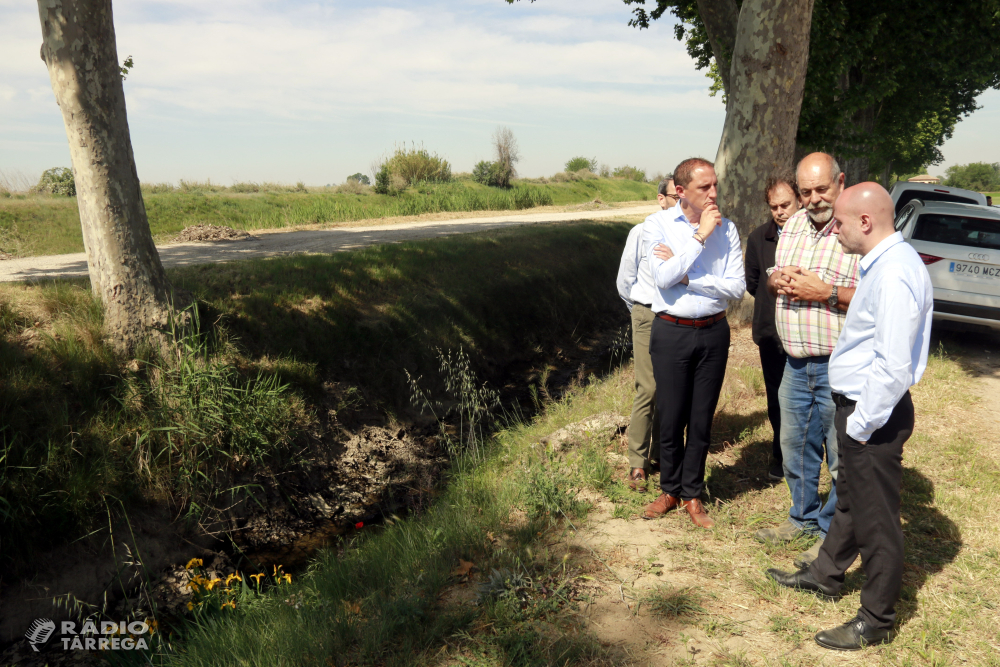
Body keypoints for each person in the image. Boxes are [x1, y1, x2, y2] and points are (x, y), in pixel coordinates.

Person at [766, 182, 933, 651]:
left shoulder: (895, 272)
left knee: (877, 520)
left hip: (871, 412)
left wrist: (861, 425)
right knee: (850, 502)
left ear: (865, 221)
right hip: (860, 406)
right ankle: (826, 573)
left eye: (839, 221)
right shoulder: (882, 264)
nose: (832, 229)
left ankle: (875, 618)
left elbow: (893, 364)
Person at [755, 153, 859, 568]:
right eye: (806, 191)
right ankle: (801, 518)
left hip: (840, 365)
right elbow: (776, 273)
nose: (814, 199)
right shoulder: (794, 224)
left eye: (822, 189)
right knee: (795, 446)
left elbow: (877, 298)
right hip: (795, 364)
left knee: (841, 456)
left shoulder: (857, 225)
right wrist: (774, 279)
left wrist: (827, 293)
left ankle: (831, 532)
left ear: (841, 182)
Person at [641, 158, 745, 529]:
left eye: (715, 185)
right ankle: (669, 489)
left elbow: (735, 287)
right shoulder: (657, 225)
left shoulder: (728, 229)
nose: (714, 194)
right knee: (670, 416)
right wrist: (699, 236)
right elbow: (664, 277)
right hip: (671, 331)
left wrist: (691, 280)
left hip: (714, 331)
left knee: (701, 418)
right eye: (705, 188)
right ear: (680, 191)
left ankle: (692, 493)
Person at [616, 177, 676, 490]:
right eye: (672, 196)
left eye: (682, 196)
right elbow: (624, 281)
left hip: (676, 317)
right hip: (647, 314)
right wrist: (640, 311)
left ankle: (662, 456)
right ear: (660, 199)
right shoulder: (640, 233)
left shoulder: (688, 234)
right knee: (648, 388)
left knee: (672, 390)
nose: (678, 201)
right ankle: (637, 462)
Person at [744, 172, 800, 483]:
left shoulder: (815, 238)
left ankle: (813, 454)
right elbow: (753, 283)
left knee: (812, 398)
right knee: (777, 397)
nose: (779, 211)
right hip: (771, 334)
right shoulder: (758, 238)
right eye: (773, 206)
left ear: (799, 201)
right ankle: (780, 455)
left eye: (785, 204)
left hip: (809, 334)